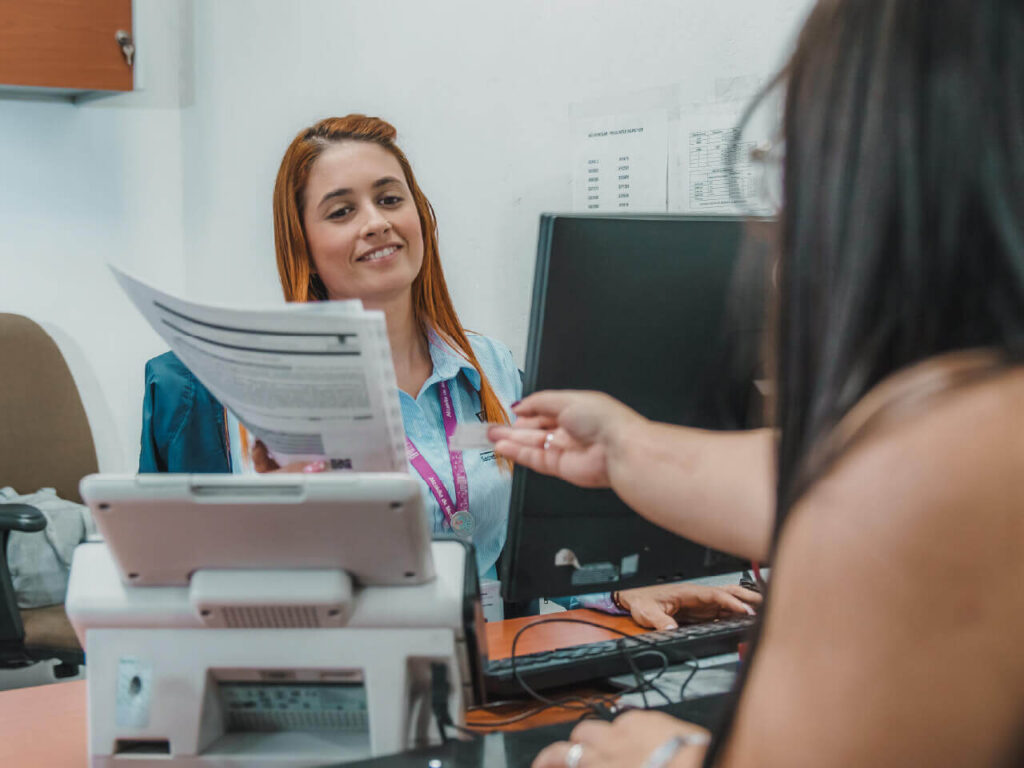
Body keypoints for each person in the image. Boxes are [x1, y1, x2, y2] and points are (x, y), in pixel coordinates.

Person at [492, 0, 1024, 764]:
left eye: (792, 165)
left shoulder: (957, 459)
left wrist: (658, 758)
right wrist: (626, 447)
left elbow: (861, 499)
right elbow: (805, 480)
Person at [137, 113, 759, 624]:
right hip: (359, 667)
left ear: (420, 215)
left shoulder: (487, 368)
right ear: (303, 243)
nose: (376, 222)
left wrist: (620, 591)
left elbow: (531, 553)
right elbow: (228, 597)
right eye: (341, 210)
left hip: (498, 660)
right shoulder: (261, 395)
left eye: (389, 199)